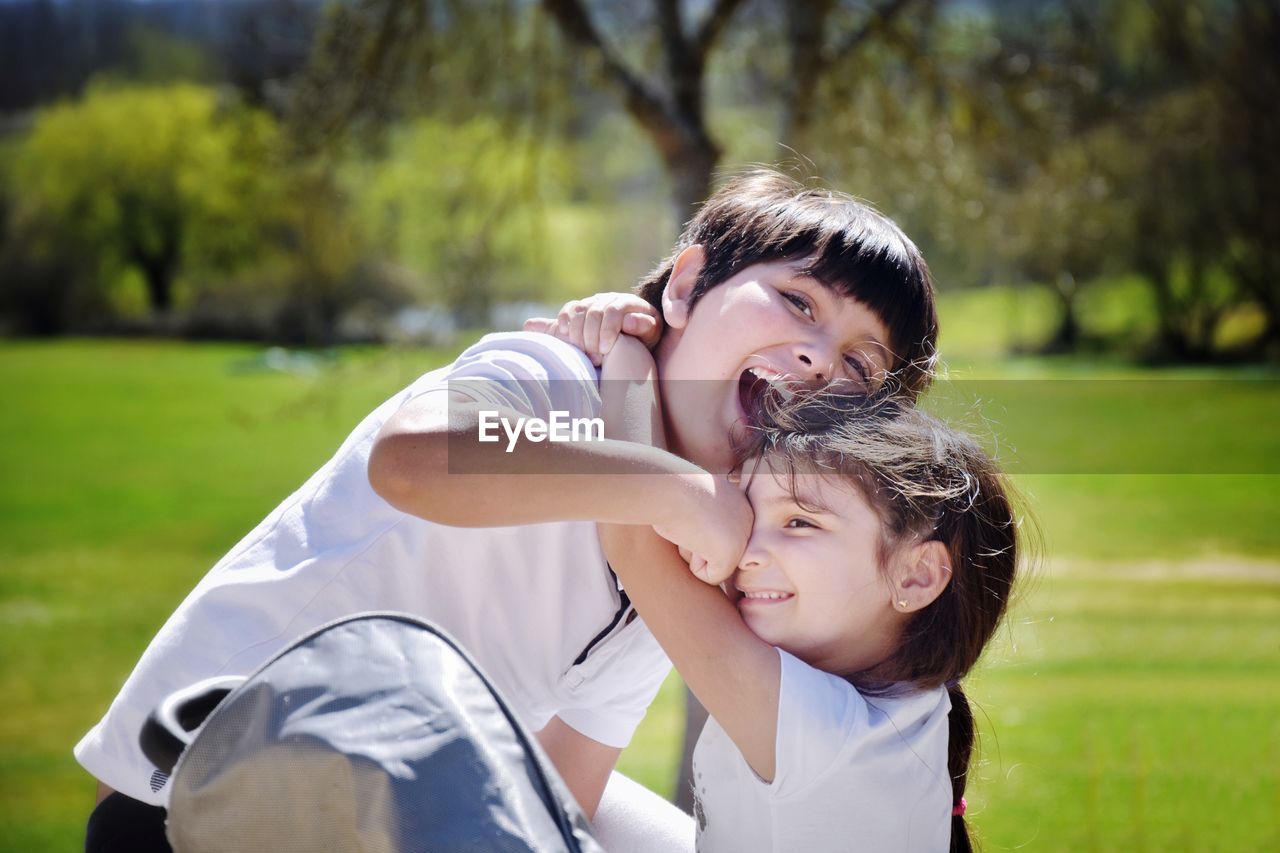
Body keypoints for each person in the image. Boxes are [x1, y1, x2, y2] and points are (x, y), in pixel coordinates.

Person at [75, 168, 939, 850]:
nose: (820, 357)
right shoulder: (558, 378)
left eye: (861, 366)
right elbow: (413, 458)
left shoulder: (688, 566)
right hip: (193, 805)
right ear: (684, 288)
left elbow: (568, 784)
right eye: (797, 302)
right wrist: (671, 488)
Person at [583, 333, 1022, 852]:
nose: (748, 548)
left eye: (798, 522)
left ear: (916, 576)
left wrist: (631, 349)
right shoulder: (900, 707)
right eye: (749, 510)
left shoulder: (824, 736)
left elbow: (634, 534)